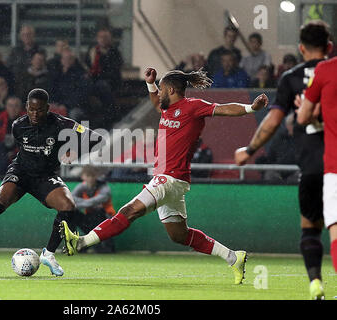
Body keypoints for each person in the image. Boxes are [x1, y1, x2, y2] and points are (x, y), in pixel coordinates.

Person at [60, 68, 269, 285]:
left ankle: (81, 242)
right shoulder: (167, 109)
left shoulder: (193, 107)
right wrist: (150, 84)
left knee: (130, 211)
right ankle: (234, 257)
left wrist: (251, 108)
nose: (157, 93)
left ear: (170, 89)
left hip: (169, 178)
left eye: (160, 89)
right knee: (179, 235)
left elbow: (223, 109)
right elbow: (155, 102)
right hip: (171, 181)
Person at [0, 88, 103, 277]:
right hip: (21, 172)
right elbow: (24, 152)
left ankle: (48, 254)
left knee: (68, 206)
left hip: (44, 176)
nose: (35, 114)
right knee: (0, 201)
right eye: (31, 109)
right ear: (26, 107)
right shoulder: (18, 125)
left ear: (47, 108)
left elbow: (97, 139)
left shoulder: (62, 124)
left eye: (39, 110)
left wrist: (74, 150)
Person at [234, 20, 332, 300]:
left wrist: (249, 150)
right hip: (335, 163)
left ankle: (315, 283)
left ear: (301, 48)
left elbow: (272, 122)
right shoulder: (334, 72)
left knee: (310, 227)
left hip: (311, 166)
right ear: (329, 46)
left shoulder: (290, 78)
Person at [297, 56, 337, 274]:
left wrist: (310, 113)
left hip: (334, 167)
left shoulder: (326, 70)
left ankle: (317, 283)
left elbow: (303, 117)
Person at [71, 166, 116, 253]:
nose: (90, 178)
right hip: (90, 219)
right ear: (83, 177)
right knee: (71, 213)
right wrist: (84, 203)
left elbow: (92, 202)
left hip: (106, 219)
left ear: (96, 176)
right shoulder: (81, 187)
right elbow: (71, 199)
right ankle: (72, 242)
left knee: (97, 212)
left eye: (92, 176)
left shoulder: (104, 188)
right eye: (88, 176)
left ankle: (93, 244)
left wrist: (79, 204)